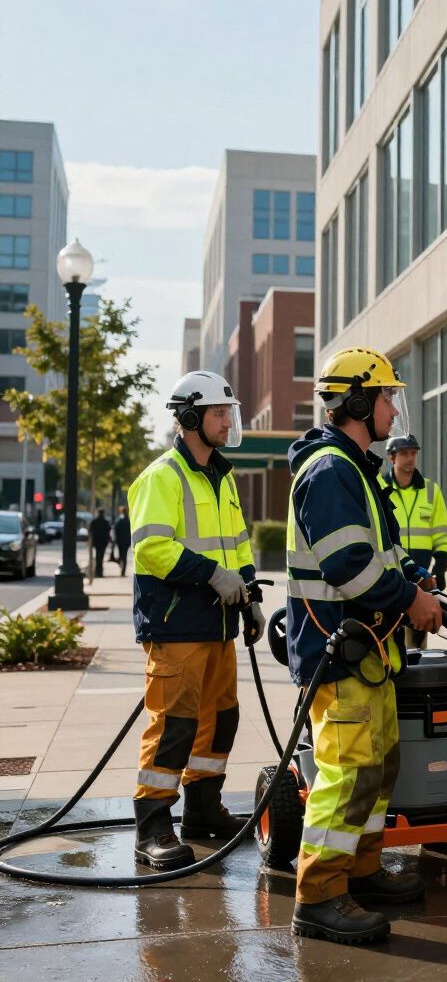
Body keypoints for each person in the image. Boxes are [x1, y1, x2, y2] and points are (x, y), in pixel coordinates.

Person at [286, 346, 442, 946]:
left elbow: (383, 553)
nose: (393, 407)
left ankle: (362, 871)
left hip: (366, 650)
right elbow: (349, 565)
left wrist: (419, 585)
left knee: (379, 767)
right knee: (348, 771)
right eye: (385, 397)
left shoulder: (358, 468)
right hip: (339, 647)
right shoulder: (331, 471)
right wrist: (408, 600)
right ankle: (320, 895)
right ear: (356, 401)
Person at [127, 370, 266, 871]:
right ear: (189, 418)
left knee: (219, 720)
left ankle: (203, 810)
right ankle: (154, 826)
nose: (228, 422)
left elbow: (239, 542)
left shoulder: (222, 476)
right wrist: (213, 576)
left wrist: (247, 594)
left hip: (218, 624)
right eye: (218, 413)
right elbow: (152, 548)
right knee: (174, 727)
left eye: (229, 412)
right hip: (175, 624)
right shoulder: (161, 477)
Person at [381, 434, 447, 648]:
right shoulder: (379, 489)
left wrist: (440, 568)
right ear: (391, 457)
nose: (410, 458)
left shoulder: (431, 491)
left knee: (418, 639)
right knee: (390, 636)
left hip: (421, 577)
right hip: (389, 576)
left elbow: (442, 534)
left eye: (413, 453)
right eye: (404, 454)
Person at [89, 508, 110, 577]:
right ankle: (99, 572)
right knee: (100, 557)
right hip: (103, 542)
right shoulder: (105, 522)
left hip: (96, 542)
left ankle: (97, 572)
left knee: (98, 557)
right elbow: (108, 532)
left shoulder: (94, 521)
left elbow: (90, 531)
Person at [113, 504, 131, 575]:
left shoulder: (119, 520)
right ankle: (123, 571)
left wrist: (116, 539)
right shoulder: (128, 521)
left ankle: (121, 567)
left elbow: (116, 530)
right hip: (126, 541)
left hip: (120, 541)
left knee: (121, 555)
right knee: (124, 556)